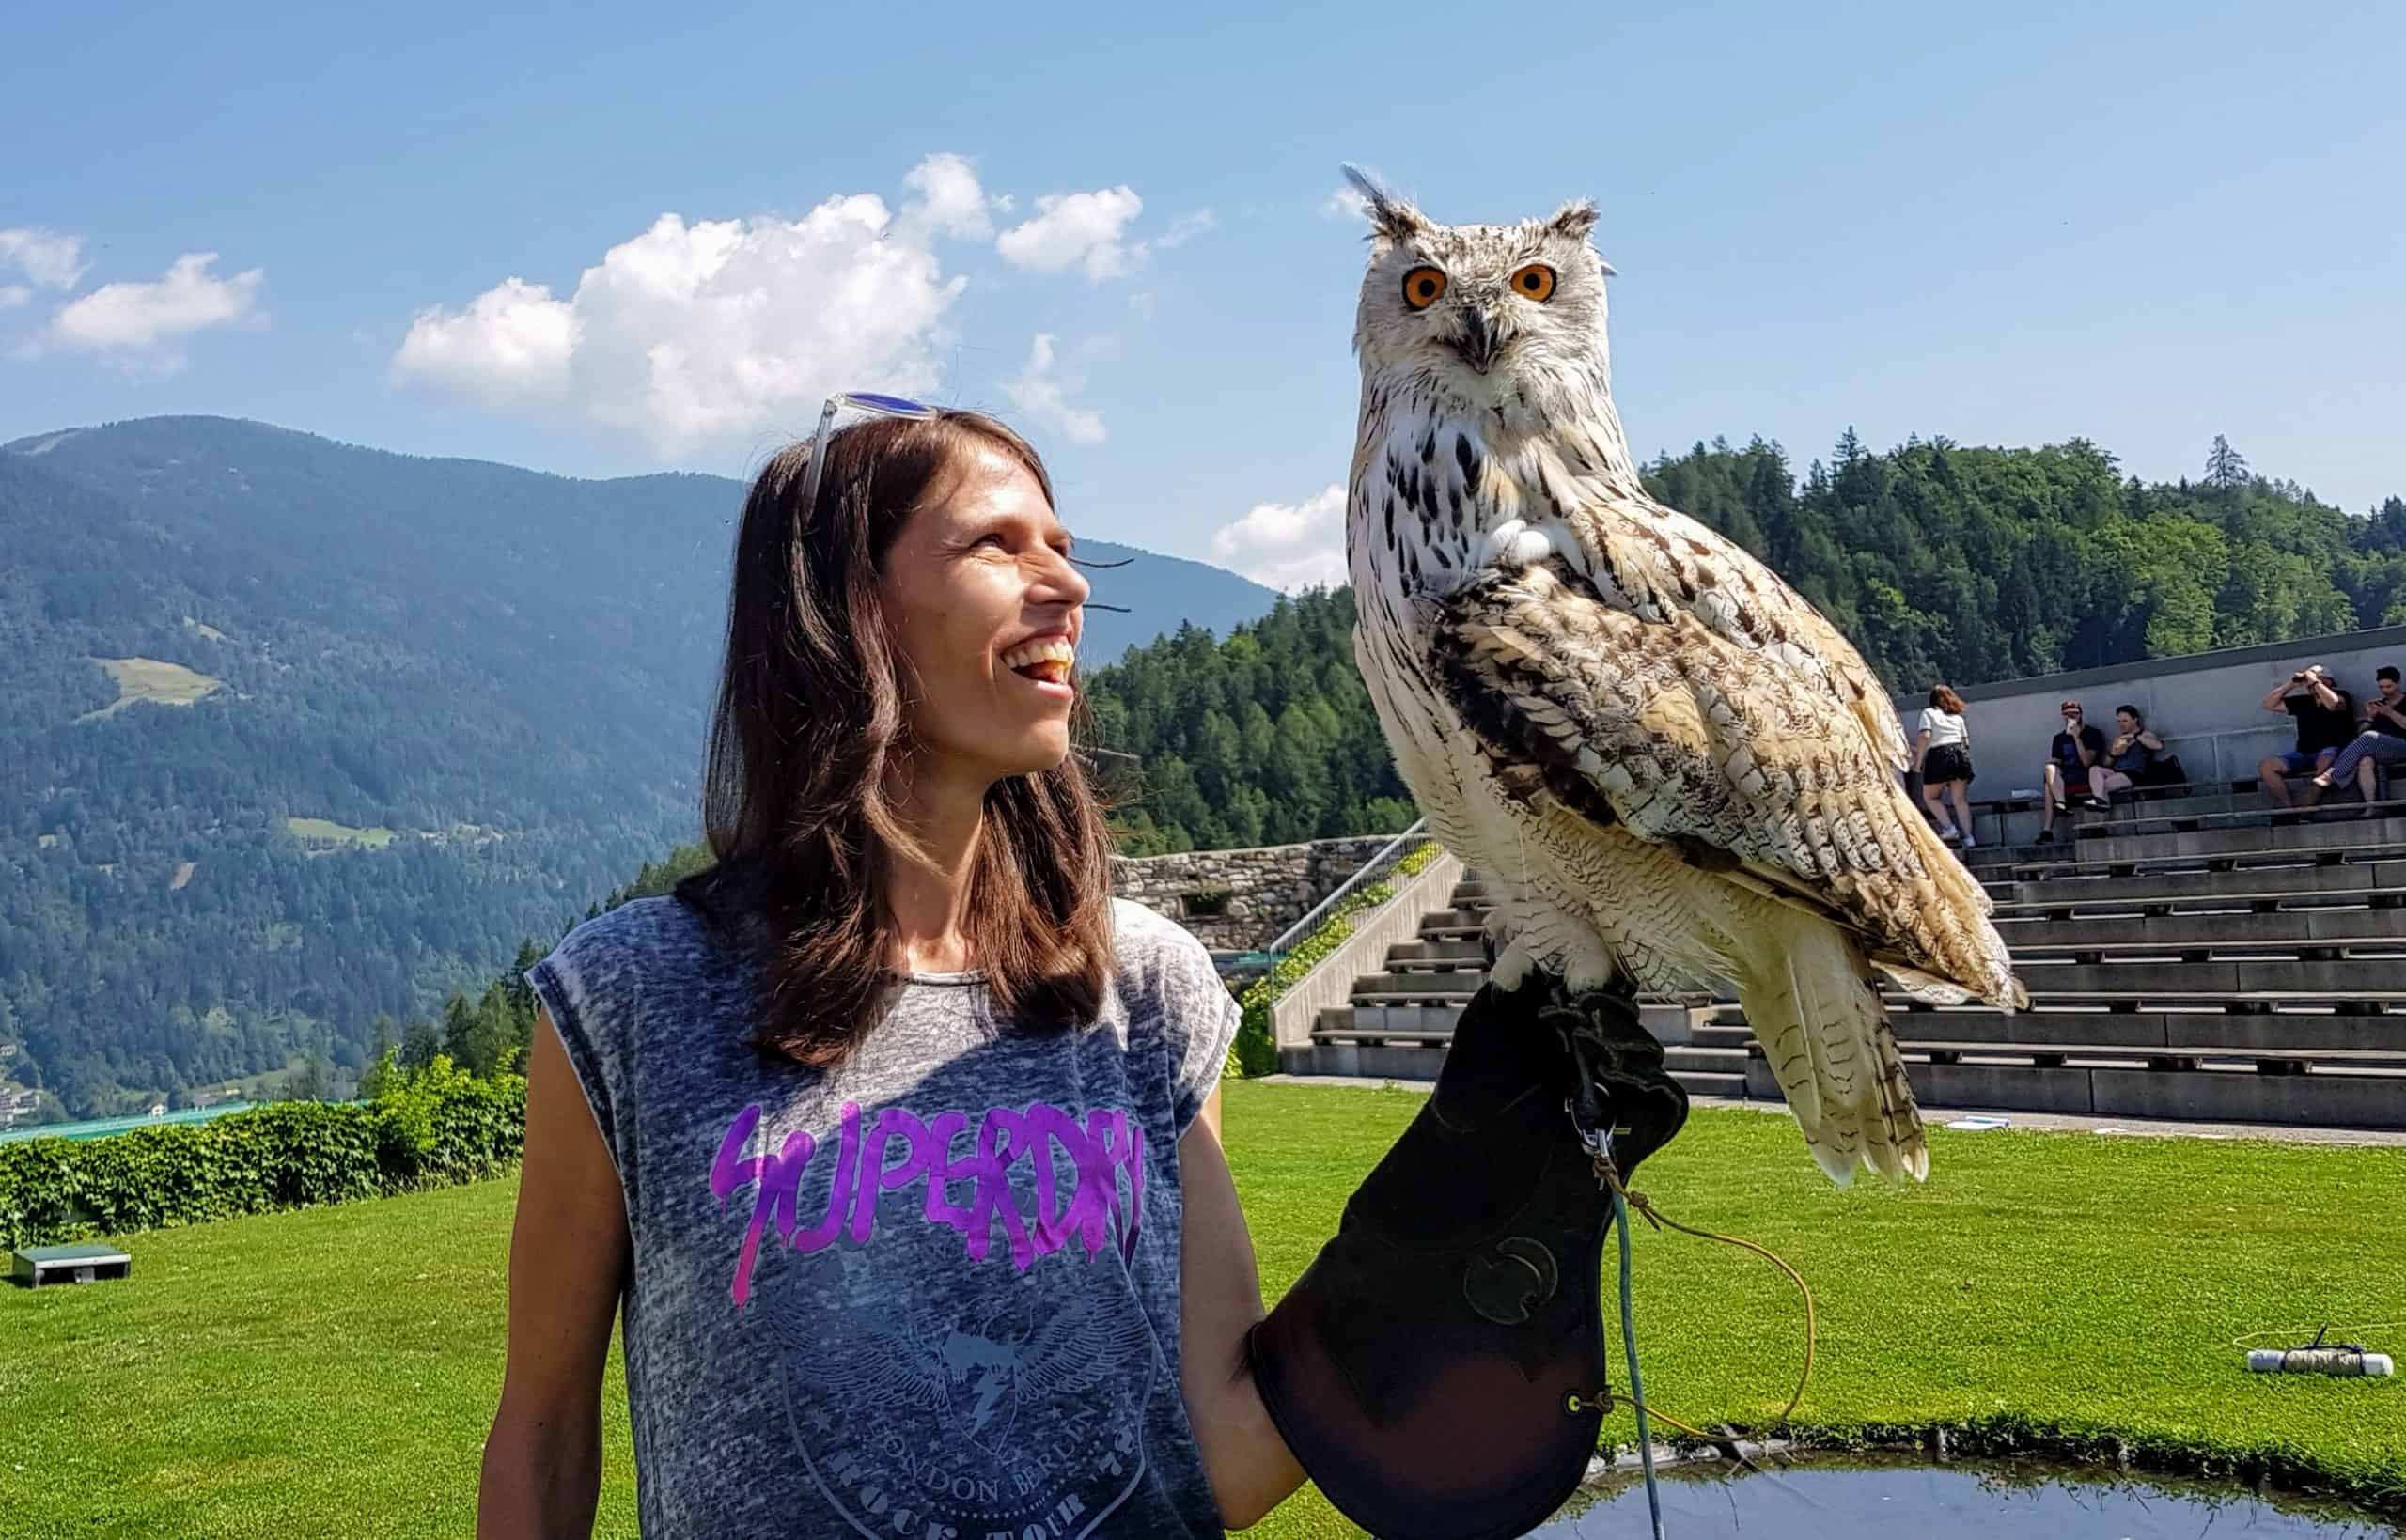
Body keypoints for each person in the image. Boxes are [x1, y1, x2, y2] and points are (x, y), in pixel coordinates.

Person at [476, 404, 1683, 1540]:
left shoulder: (1146, 990)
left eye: (1062, 547)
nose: (1066, 588)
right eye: (995, 545)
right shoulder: (633, 994)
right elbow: (541, 1433)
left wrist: (1472, 1171)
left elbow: (1225, 1459)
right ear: (846, 606)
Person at [2311, 664, 2406, 815]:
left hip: (2401, 745)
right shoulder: (2380, 703)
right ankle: (2372, 806)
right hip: (2381, 748)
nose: (2386, 690)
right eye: (2381, 687)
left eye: (2389, 686)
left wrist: (2390, 712)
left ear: (2398, 683)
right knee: (2365, 760)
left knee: (2369, 737)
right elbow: (2361, 734)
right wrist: (2370, 717)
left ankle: (2332, 774)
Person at [2258, 664, 2355, 807]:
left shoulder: (2342, 696)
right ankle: (2288, 807)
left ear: (2328, 681)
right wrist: (2290, 684)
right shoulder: (2303, 701)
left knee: (2326, 759)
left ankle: (2309, 806)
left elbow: (2333, 704)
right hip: (2304, 752)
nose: (2310, 685)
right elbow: (2268, 704)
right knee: (2267, 766)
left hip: (2331, 749)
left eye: (2316, 680)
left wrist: (2315, 682)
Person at [1914, 684, 1978, 848]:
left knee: (1930, 797)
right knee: (1960, 800)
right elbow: (1966, 743)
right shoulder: (1958, 718)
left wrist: (1919, 761)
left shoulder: (1928, 713)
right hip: (1960, 754)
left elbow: (1925, 735)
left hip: (1938, 755)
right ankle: (1969, 838)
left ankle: (1950, 828)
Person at [2037, 699, 2107, 843]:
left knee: (2048, 787)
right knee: (2048, 770)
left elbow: (2087, 762)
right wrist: (2055, 761)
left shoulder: (2093, 734)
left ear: (2080, 714)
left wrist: (2076, 737)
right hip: (2066, 775)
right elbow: (2059, 760)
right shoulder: (2059, 738)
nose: (2071, 718)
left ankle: (2047, 829)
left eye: (2074, 714)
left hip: (2086, 775)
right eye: (2067, 715)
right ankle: (2061, 804)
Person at [2080, 705, 2165, 809]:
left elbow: (2158, 745)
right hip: (2117, 771)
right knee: (2094, 770)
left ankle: (2102, 801)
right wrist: (2113, 754)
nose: (2121, 724)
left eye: (2125, 721)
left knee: (2101, 786)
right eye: (2119, 721)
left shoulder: (2145, 734)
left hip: (2134, 774)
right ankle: (2101, 801)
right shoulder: (2120, 738)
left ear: (2135, 719)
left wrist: (2135, 736)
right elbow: (2107, 764)